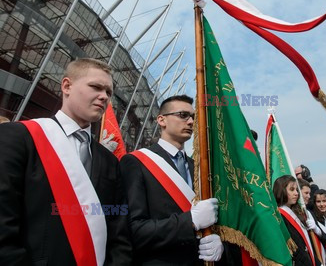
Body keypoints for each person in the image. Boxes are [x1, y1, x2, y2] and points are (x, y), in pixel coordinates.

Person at [0, 58, 132, 265]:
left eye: (109, 92)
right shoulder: (18, 137)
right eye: (96, 87)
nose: (104, 97)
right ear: (67, 86)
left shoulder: (110, 161)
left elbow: (118, 227)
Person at [119, 94, 223, 265]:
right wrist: (190, 222)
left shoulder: (199, 168)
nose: (190, 122)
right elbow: (134, 230)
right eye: (183, 115)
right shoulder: (136, 162)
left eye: (193, 117)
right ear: (161, 120)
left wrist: (216, 239)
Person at [273, 175, 322, 266]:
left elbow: (307, 246)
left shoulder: (296, 214)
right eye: (292, 189)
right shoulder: (279, 217)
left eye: (296, 190)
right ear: (281, 191)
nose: (296, 193)